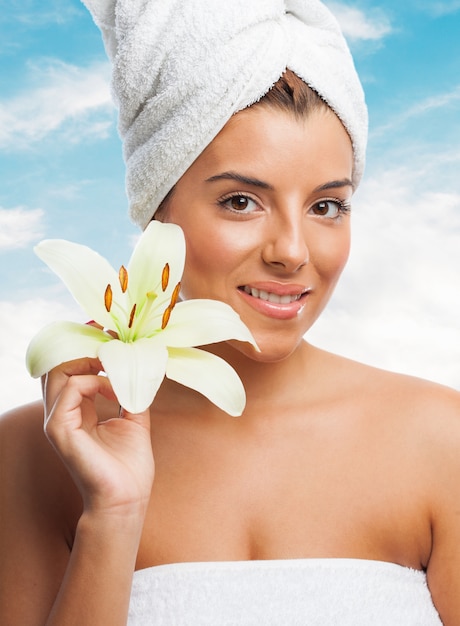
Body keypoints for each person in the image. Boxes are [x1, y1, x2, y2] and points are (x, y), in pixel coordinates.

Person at [1, 1, 459, 624]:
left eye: (327, 207)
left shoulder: (442, 440)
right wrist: (112, 517)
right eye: (242, 201)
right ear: (159, 211)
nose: (292, 252)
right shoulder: (35, 452)